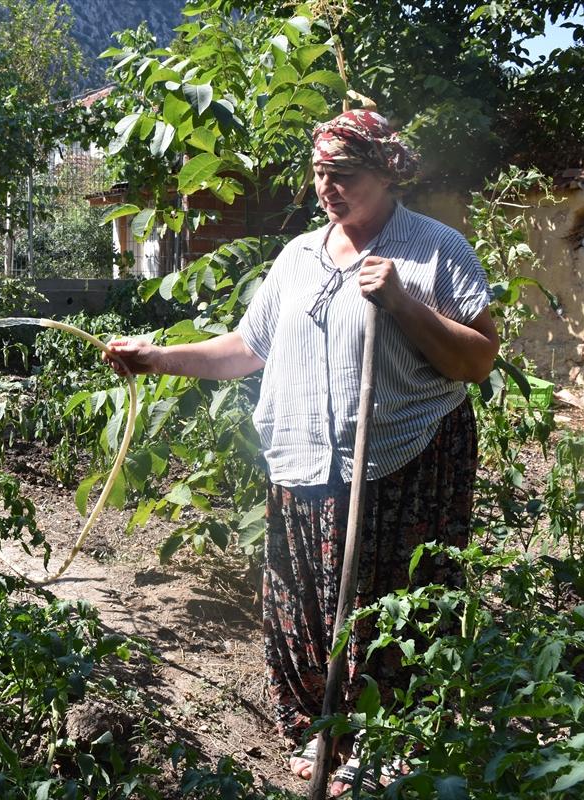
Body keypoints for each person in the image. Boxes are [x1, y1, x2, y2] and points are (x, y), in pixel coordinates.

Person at [105, 109, 499, 796]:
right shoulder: (298, 257)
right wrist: (156, 357)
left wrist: (404, 302)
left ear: (385, 174)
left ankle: (382, 742)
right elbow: (246, 350)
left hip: (396, 463)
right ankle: (321, 729)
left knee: (383, 606)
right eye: (319, 173)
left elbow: (477, 360)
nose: (327, 187)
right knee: (301, 606)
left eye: (342, 175)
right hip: (301, 460)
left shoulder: (433, 249)